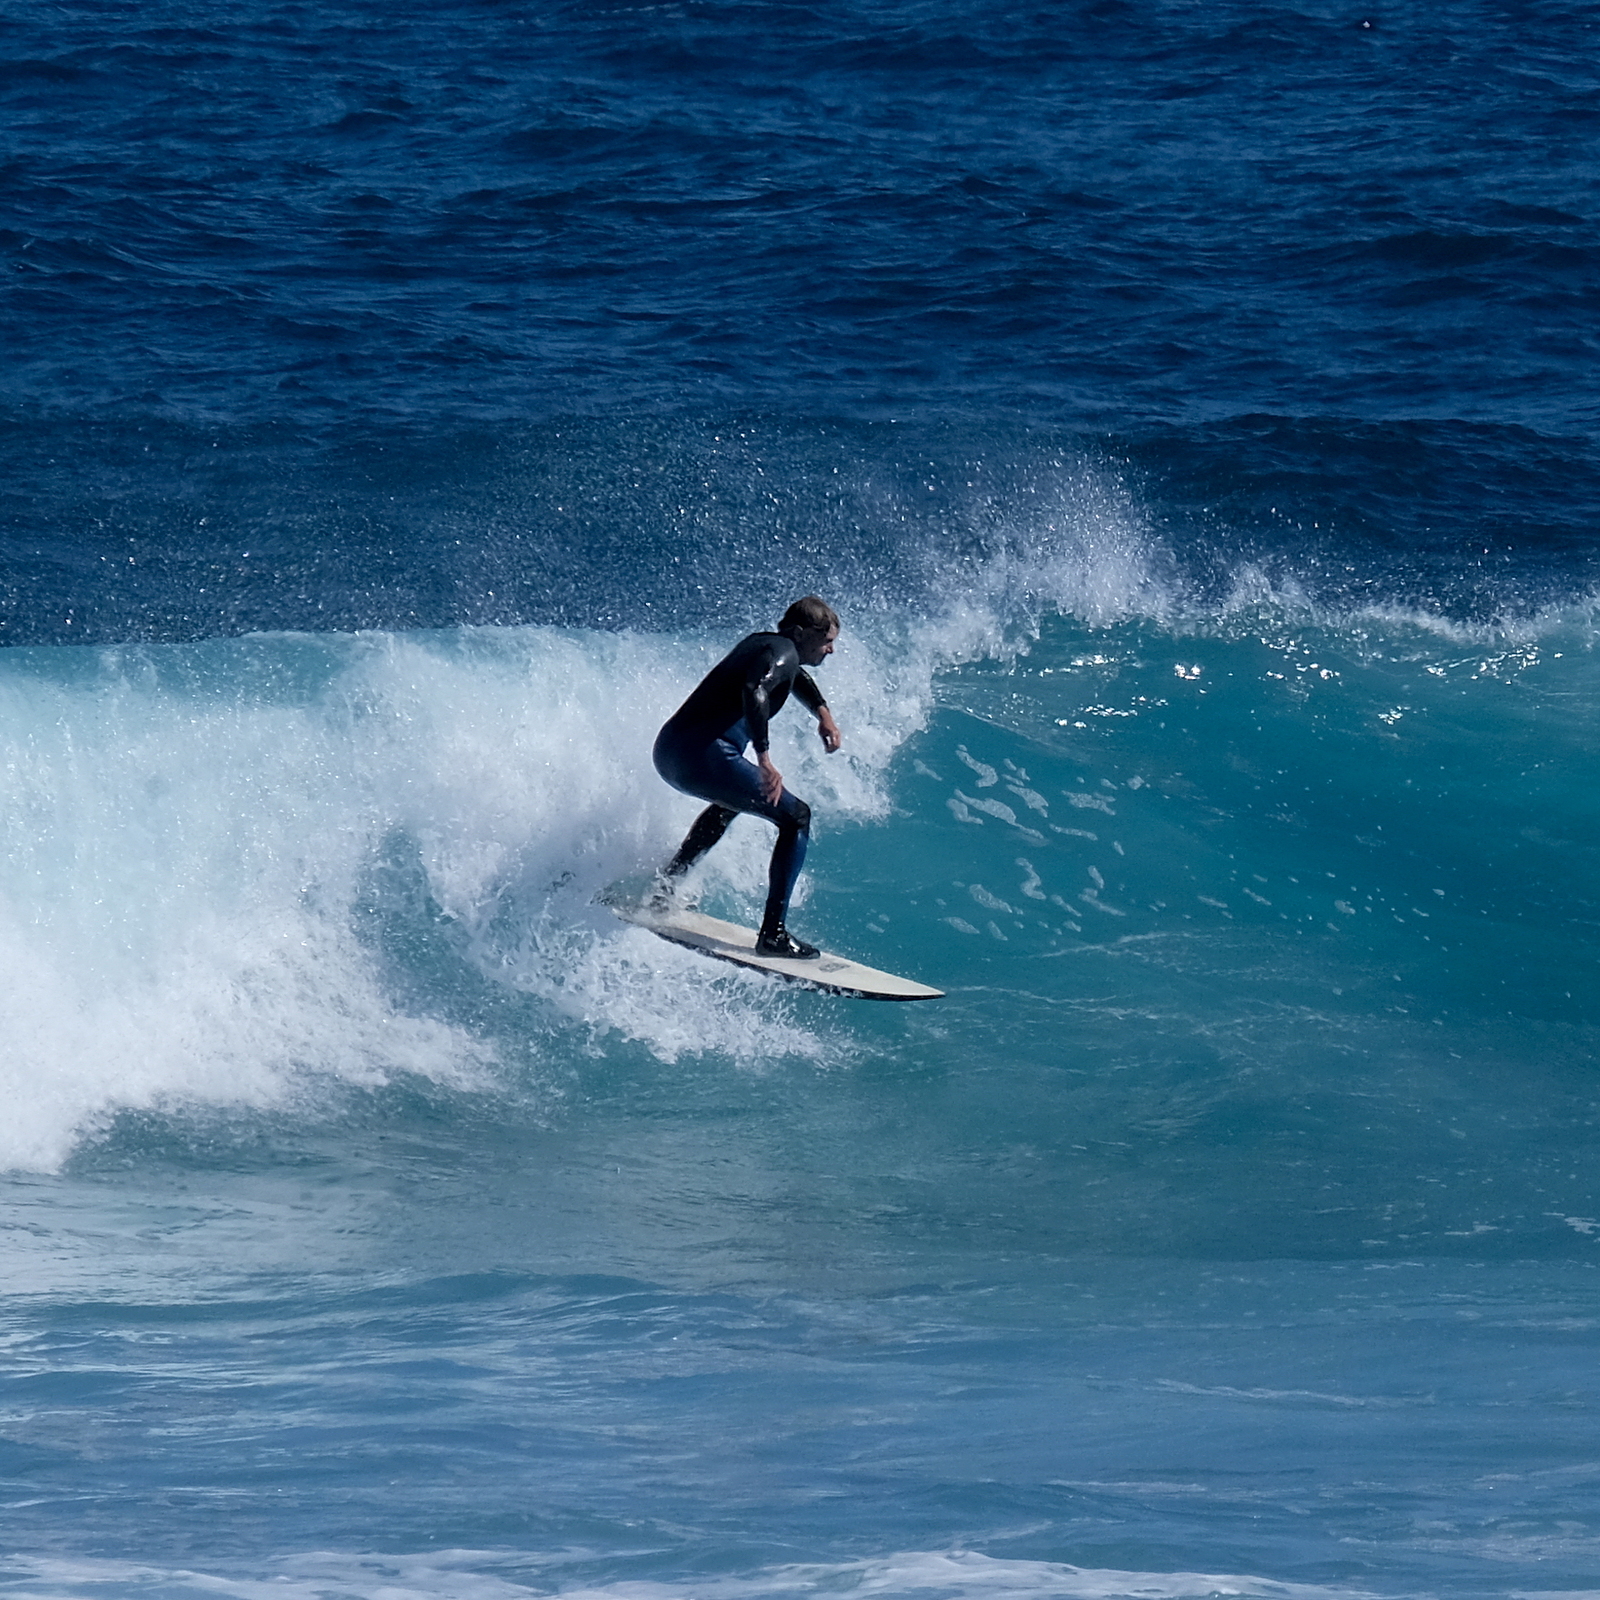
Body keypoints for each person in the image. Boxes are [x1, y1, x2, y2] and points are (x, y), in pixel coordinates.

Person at [651, 596, 842, 959]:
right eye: (826, 641)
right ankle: (774, 935)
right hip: (705, 756)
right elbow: (754, 689)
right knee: (796, 817)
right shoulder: (782, 653)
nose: (830, 650)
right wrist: (765, 758)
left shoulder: (765, 643)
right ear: (801, 633)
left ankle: (663, 892)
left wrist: (823, 713)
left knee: (728, 805)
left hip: (670, 752)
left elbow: (793, 673)